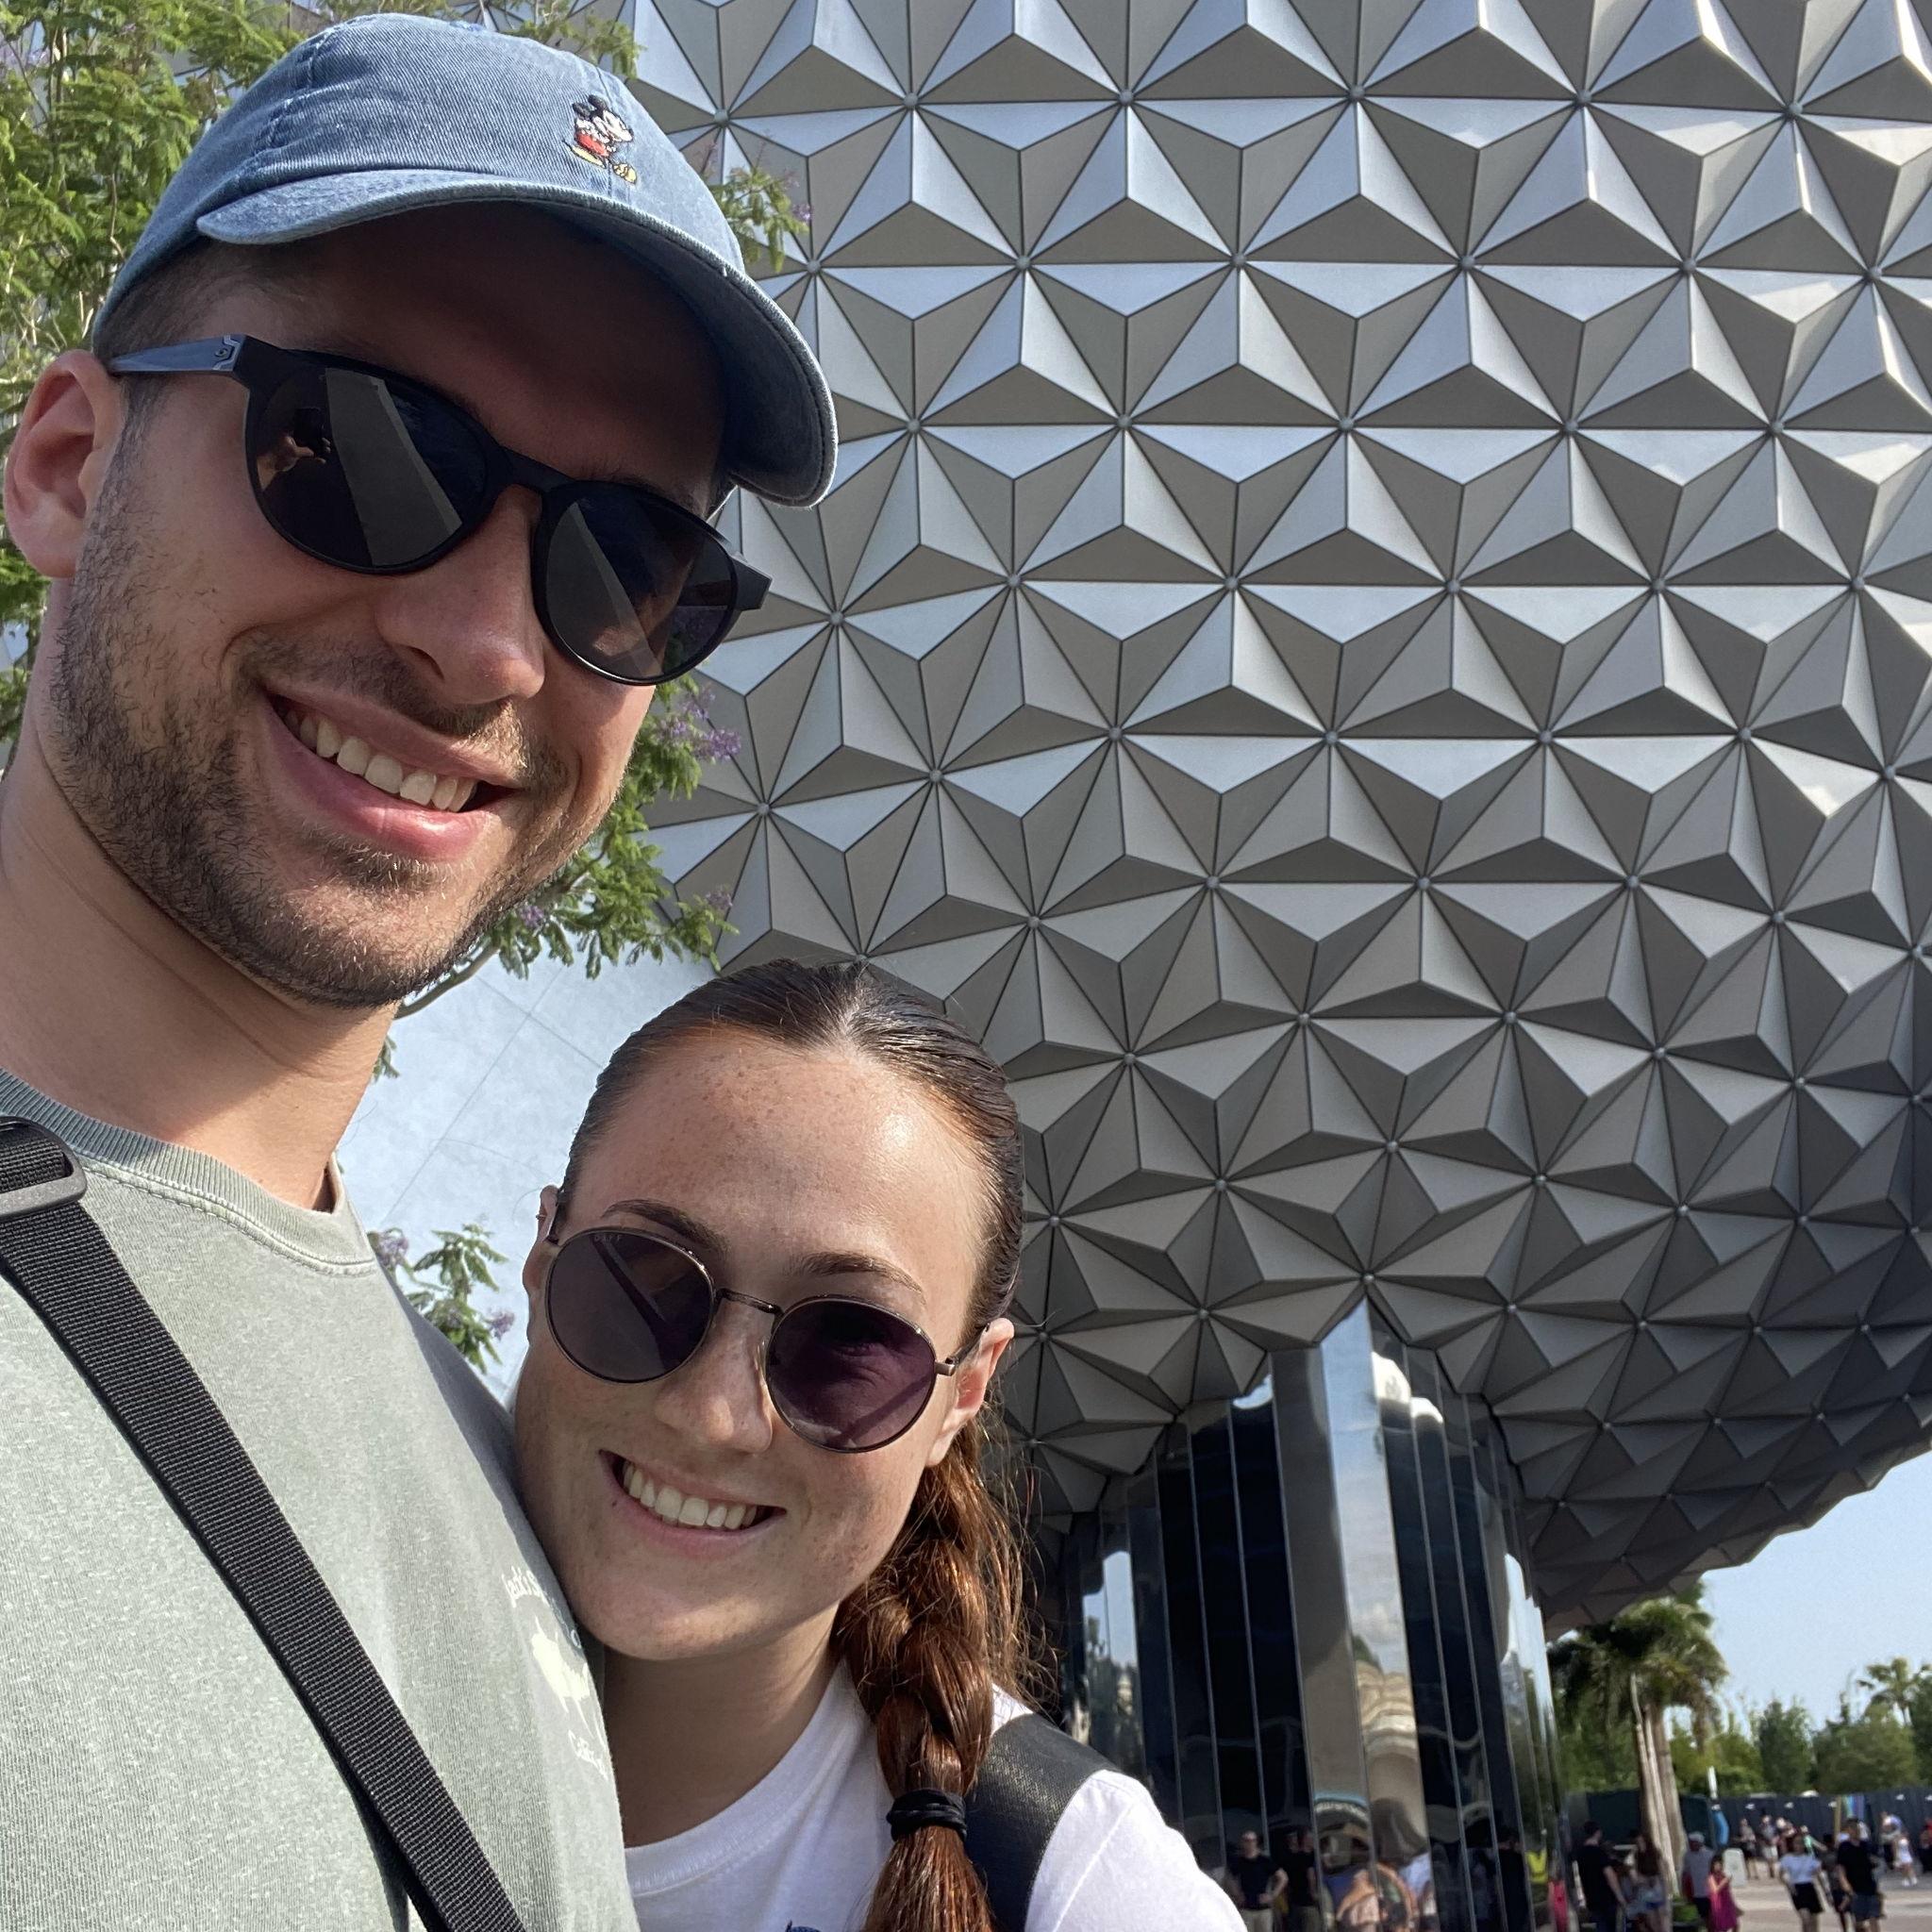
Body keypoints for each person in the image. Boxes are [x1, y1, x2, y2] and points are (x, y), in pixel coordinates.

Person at [0, 13, 836, 1926]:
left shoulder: (496, 1478)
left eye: (621, 565)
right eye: (361, 450)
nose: (489, 646)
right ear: (65, 466)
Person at [509, 959, 1243, 1930]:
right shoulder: (317, 1612)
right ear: (542, 1254)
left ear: (962, 1394)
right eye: (645, 1282)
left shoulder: (1076, 1884)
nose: (715, 1414)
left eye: (848, 1344)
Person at [1226, 1829, 1290, 1930]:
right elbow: (1229, 1877)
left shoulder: (1264, 1861)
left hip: (1263, 1908)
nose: (1250, 1844)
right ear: (1243, 1843)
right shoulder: (1238, 1862)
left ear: (1256, 1842)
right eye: (1247, 1841)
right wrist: (1237, 1894)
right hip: (1246, 1908)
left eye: (1253, 1841)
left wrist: (1272, 1895)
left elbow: (1283, 1877)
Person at [1577, 1820, 1623, 1932]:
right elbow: (1610, 1876)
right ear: (1598, 1833)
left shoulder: (1581, 1854)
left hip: (1592, 1900)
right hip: (1607, 1898)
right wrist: (1620, 1898)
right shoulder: (1600, 1853)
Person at [1836, 1824, 1884, 1926]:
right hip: (1854, 1887)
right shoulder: (1844, 1847)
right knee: (1859, 1921)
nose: (1855, 1831)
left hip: (1870, 1885)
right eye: (1852, 1828)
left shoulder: (1866, 1845)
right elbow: (1841, 1868)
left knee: (1873, 1916)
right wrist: (1845, 1884)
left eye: (1857, 1829)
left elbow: (1877, 1863)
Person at [1781, 1831, 1829, 1932]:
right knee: (1805, 1918)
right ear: (1792, 1844)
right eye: (1796, 1843)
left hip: (1810, 1888)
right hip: (1797, 1889)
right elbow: (1782, 1874)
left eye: (1801, 1843)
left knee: (1813, 1920)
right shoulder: (1787, 1859)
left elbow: (1819, 1875)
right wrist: (1788, 1884)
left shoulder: (1810, 1858)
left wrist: (1826, 1891)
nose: (1799, 1846)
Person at [1283, 1827, 1327, 1932]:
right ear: (1305, 1840)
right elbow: (1310, 1875)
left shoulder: (1293, 1858)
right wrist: (1314, 1893)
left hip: (1295, 1903)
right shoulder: (1308, 1858)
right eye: (1311, 1838)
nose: (1313, 1841)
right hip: (1308, 1904)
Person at [1630, 1832, 1671, 1932]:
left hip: (1658, 1891)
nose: (1640, 1845)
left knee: (1663, 1923)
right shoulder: (1637, 1856)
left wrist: (1666, 1898)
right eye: (1637, 1842)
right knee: (1653, 1924)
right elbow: (1637, 1877)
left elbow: (1663, 1877)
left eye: (1642, 1842)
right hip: (1645, 1893)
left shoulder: (1655, 1854)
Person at [1687, 1831, 1720, 1924]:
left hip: (1710, 1891)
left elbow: (1717, 1872)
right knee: (1702, 1915)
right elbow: (1686, 1873)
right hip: (1696, 1892)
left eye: (1693, 1843)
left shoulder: (1710, 1854)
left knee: (1713, 1915)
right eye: (1690, 1843)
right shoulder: (1687, 1856)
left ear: (1700, 1843)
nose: (1691, 1845)